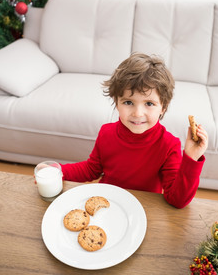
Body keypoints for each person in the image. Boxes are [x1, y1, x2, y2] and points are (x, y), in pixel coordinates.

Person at [61, 53, 208, 208]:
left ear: (163, 107)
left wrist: (191, 158)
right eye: (128, 102)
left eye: (149, 104)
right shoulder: (106, 133)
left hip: (145, 210)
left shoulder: (169, 145)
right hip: (108, 205)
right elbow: (91, 169)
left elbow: (177, 200)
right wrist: (59, 171)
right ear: (116, 103)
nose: (137, 113)